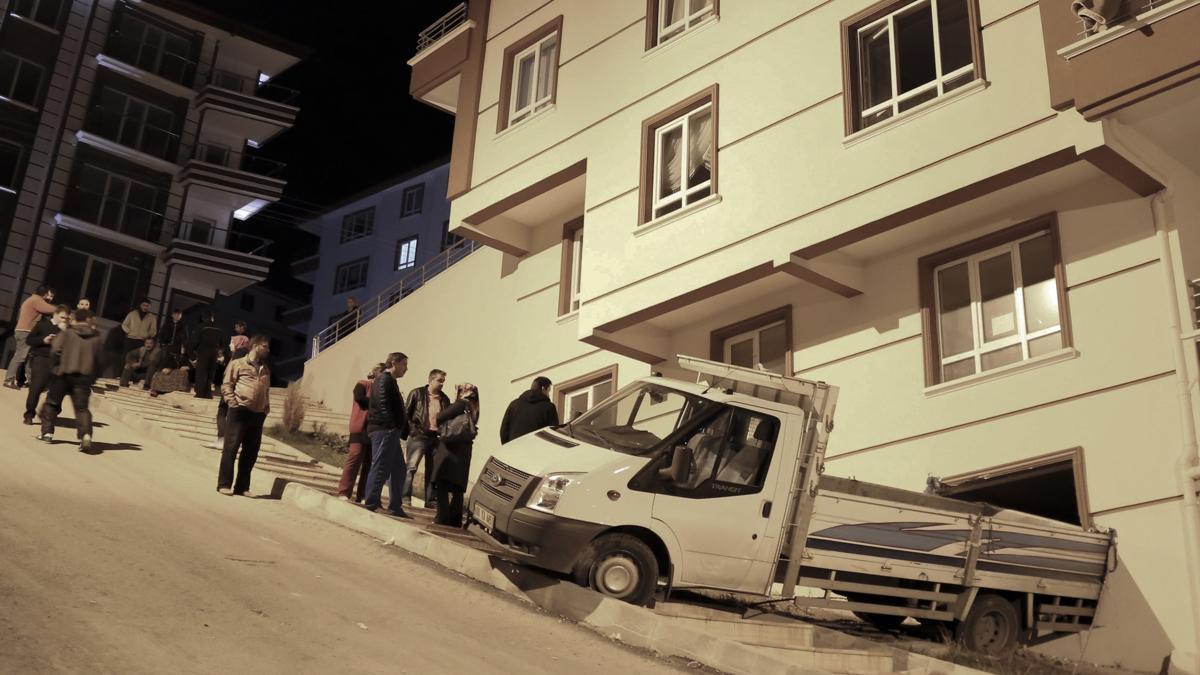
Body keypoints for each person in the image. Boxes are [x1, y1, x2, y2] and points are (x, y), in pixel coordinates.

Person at [39, 309, 103, 453]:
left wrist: (55, 367)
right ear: (88, 320)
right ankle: (85, 436)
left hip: (63, 374)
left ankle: (47, 433)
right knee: (82, 409)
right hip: (83, 378)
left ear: (75, 318)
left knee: (52, 403)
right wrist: (93, 377)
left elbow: (55, 350)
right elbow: (99, 360)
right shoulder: (96, 337)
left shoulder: (67, 333)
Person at [216, 335, 271, 496]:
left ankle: (242, 487)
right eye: (265, 346)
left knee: (251, 452)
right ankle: (224, 484)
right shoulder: (238, 364)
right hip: (239, 411)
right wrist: (232, 402)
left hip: (257, 414)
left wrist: (265, 407)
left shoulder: (265, 369)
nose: (268, 350)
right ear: (254, 346)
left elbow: (266, 390)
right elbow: (227, 384)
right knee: (231, 448)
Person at [363, 352, 410, 517]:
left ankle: (395, 506)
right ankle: (370, 502)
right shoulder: (384, 379)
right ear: (394, 363)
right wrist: (391, 426)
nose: (406, 368)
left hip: (390, 431)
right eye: (404, 364)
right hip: (384, 430)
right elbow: (382, 403)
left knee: (399, 469)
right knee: (381, 465)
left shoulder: (391, 381)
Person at [432, 383, 480, 527]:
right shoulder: (474, 407)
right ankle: (455, 520)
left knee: (441, 484)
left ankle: (442, 517)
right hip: (464, 450)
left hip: (450, 449)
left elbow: (440, 417)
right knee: (457, 487)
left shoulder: (461, 404)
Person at [336, 363, 384, 502]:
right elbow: (359, 398)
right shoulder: (363, 384)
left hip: (375, 430)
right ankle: (343, 492)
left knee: (369, 463)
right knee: (354, 458)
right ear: (376, 373)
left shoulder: (383, 391)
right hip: (360, 427)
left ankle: (362, 495)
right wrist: (377, 403)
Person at [403, 369, 450, 508]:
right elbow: (406, 414)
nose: (442, 384)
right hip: (419, 436)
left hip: (436, 438)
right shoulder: (416, 393)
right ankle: (405, 497)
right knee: (411, 467)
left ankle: (430, 501)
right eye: (439, 380)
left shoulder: (444, 399)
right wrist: (413, 431)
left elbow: (447, 419)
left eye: (443, 381)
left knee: (433, 471)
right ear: (431, 380)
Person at [23, 305, 69, 425]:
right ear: (55, 315)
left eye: (66, 318)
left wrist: (65, 332)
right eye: (62, 317)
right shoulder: (43, 324)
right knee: (36, 387)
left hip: (59, 361)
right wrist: (43, 340)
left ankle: (47, 413)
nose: (64, 320)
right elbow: (29, 340)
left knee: (56, 390)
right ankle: (29, 414)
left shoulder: (67, 330)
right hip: (42, 358)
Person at [5, 285, 56, 389]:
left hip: (22, 330)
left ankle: (33, 382)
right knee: (21, 356)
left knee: (28, 357)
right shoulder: (37, 300)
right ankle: (9, 380)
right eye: (49, 295)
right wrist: (64, 310)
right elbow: (51, 309)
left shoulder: (31, 299)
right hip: (25, 331)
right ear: (45, 294)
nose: (50, 298)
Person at [209, 335, 249, 449]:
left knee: (222, 412)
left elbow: (232, 372)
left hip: (232, 388)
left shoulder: (239, 354)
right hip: (241, 389)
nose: (230, 344)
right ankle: (235, 442)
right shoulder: (248, 355)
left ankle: (222, 439)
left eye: (232, 342)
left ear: (239, 343)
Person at [500, 376, 560, 444]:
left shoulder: (514, 404)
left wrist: (508, 448)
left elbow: (504, 431)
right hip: (535, 449)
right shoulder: (549, 407)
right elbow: (553, 433)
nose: (549, 395)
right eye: (548, 391)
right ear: (543, 389)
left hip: (515, 449)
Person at [191, 311, 223, 399]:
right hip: (215, 352)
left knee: (201, 372)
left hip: (203, 351)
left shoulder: (200, 327)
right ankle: (208, 393)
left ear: (203, 318)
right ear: (212, 318)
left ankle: (200, 393)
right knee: (211, 373)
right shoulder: (219, 328)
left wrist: (193, 353)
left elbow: (194, 341)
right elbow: (222, 343)